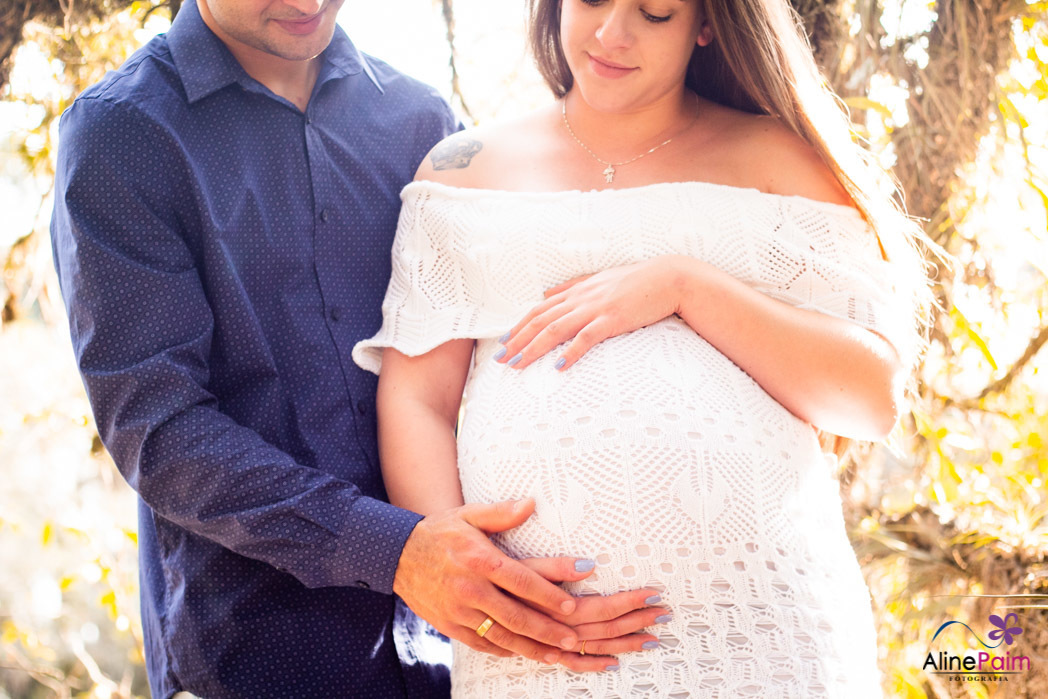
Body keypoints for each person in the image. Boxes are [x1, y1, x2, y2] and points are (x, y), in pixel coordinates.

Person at [49, 0, 663, 696]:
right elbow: (159, 429)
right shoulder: (122, 135)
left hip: (460, 659)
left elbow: (493, 360)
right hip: (257, 659)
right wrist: (395, 551)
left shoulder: (424, 125)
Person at [353, 0, 930, 696]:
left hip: (768, 630)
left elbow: (869, 397)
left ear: (707, 24)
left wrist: (684, 284)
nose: (611, 33)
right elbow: (418, 397)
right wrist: (470, 572)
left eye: (655, 13)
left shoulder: (780, 160)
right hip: (539, 644)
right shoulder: (462, 173)